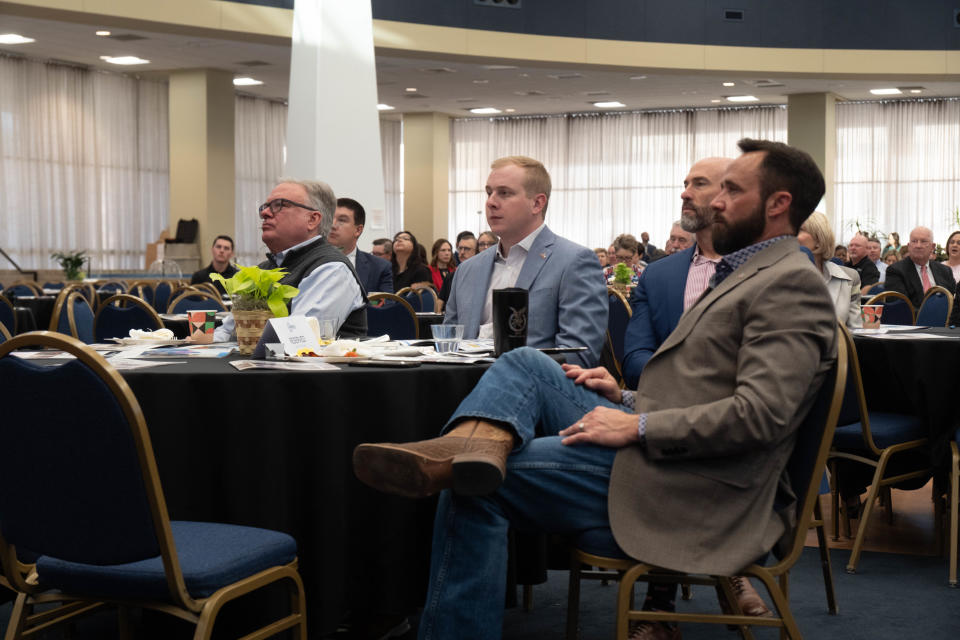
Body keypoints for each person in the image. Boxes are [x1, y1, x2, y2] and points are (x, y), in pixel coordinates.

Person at [353, 139, 836, 640]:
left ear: (778, 204)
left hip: (695, 481)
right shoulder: (754, 270)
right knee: (525, 362)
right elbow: (711, 389)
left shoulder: (787, 284)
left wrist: (638, 423)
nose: (714, 201)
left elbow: (760, 416)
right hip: (669, 447)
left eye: (731, 190)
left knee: (472, 484)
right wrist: (625, 399)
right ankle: (464, 447)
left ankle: (458, 462)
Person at [443, 156, 607, 367]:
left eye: (504, 193)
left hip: (533, 391)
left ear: (537, 203)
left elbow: (577, 356)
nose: (491, 202)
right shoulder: (467, 270)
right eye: (489, 192)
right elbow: (448, 347)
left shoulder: (574, 262)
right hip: (462, 388)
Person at [622, 157, 730, 388]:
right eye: (685, 185)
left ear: (731, 195)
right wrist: (678, 384)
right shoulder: (657, 275)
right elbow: (634, 358)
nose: (685, 194)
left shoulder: (764, 264)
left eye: (699, 184)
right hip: (659, 404)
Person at [213, 179, 366, 341]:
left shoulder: (332, 269)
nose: (265, 213)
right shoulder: (264, 269)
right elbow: (227, 331)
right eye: (265, 207)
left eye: (280, 205)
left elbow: (297, 339)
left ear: (312, 219)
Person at [798, 213, 862, 328]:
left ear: (819, 239)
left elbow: (855, 331)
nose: (791, 237)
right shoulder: (783, 275)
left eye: (799, 230)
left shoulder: (850, 278)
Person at [328, 197, 393, 294]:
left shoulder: (379, 267)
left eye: (341, 220)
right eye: (329, 218)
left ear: (358, 230)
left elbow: (385, 306)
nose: (332, 225)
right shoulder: (305, 260)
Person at [884, 226, 956, 309]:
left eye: (923, 241)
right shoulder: (896, 271)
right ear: (909, 246)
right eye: (914, 241)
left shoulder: (945, 271)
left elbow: (955, 302)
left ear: (932, 247)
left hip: (947, 320)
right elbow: (899, 307)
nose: (918, 245)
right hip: (914, 320)